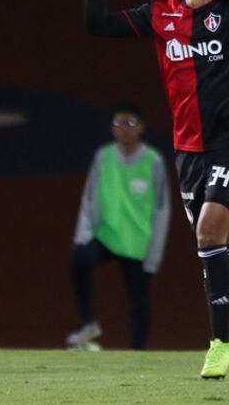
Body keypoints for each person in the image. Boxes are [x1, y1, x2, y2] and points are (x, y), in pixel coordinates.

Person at [85, 0, 229, 379]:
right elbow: (96, 23)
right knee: (223, 250)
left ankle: (219, 342)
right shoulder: (161, 14)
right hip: (188, 150)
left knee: (209, 233)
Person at [67, 103, 170, 351]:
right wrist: (83, 235)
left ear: (141, 128)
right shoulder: (103, 156)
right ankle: (88, 323)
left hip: (137, 243)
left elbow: (162, 209)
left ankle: (137, 353)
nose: (123, 128)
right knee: (79, 261)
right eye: (117, 123)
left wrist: (154, 255)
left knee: (139, 302)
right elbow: (89, 196)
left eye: (129, 123)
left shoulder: (152, 161)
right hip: (106, 235)